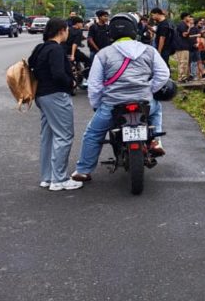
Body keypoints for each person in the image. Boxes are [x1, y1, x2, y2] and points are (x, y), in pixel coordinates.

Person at [72, 13, 170, 182]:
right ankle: (155, 141)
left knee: (93, 134)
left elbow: (94, 85)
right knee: (157, 109)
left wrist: (96, 105)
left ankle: (83, 171)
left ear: (110, 33)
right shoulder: (149, 50)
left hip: (112, 105)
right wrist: (149, 89)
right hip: (144, 102)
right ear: (134, 30)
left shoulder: (104, 54)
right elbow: (163, 74)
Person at [29, 18, 82, 191]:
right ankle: (59, 179)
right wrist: (72, 83)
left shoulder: (40, 48)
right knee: (64, 135)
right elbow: (59, 74)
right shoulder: (56, 49)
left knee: (48, 136)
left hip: (41, 95)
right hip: (56, 95)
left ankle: (47, 177)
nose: (68, 33)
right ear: (61, 30)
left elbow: (30, 65)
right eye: (66, 30)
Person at [174, 12, 194, 83]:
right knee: (183, 62)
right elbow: (185, 34)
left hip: (182, 46)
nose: (189, 18)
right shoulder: (182, 24)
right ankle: (182, 77)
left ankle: (182, 77)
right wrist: (189, 27)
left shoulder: (181, 24)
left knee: (182, 62)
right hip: (182, 46)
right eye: (188, 17)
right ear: (185, 17)